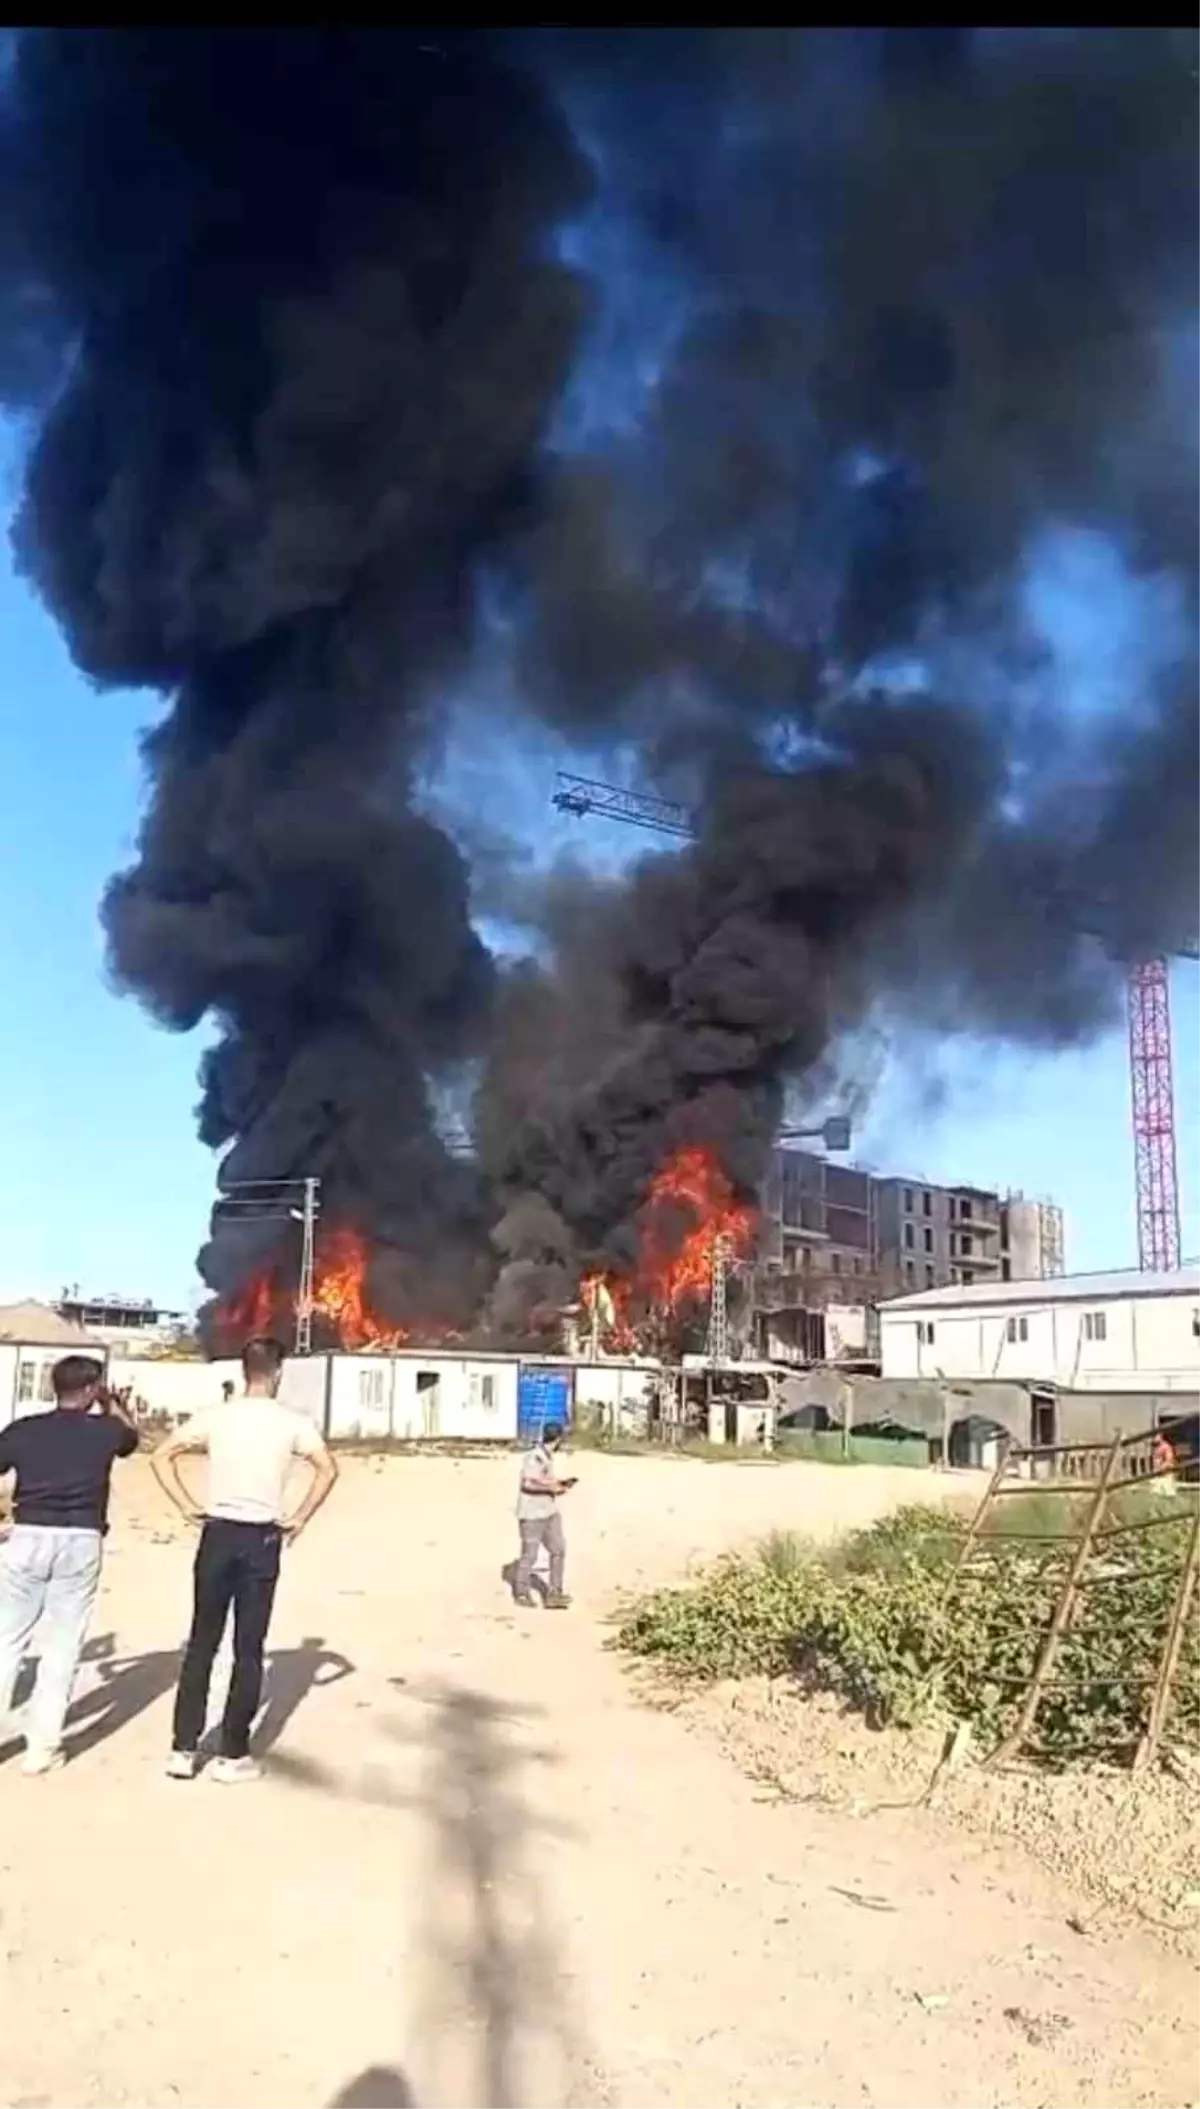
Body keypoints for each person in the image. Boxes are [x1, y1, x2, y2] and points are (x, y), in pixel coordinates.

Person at [151, 1334, 338, 1783]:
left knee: (201, 1643)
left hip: (216, 1533)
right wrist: (299, 1519)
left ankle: (183, 1749)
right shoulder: (293, 1422)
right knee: (247, 1648)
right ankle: (232, 1754)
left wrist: (185, 1505)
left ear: (242, 1370)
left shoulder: (217, 1417)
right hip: (262, 1538)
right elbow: (328, 1469)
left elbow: (162, 1456)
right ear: (278, 1373)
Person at [0, 1354, 139, 1775]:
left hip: (28, 1534)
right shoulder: (107, 1430)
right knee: (62, 1646)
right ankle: (42, 1749)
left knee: (6, 1640)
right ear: (93, 1389)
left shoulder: (22, 1429)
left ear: (52, 1387)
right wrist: (114, 1403)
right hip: (81, 1538)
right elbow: (133, 1439)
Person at [513, 1421, 575, 1609]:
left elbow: (542, 1479)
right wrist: (552, 1487)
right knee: (529, 1556)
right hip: (532, 1514)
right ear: (557, 1440)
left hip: (549, 1512)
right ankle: (522, 1593)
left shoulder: (546, 1457)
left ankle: (554, 1593)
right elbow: (528, 1484)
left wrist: (560, 1484)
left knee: (558, 1550)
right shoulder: (535, 1457)